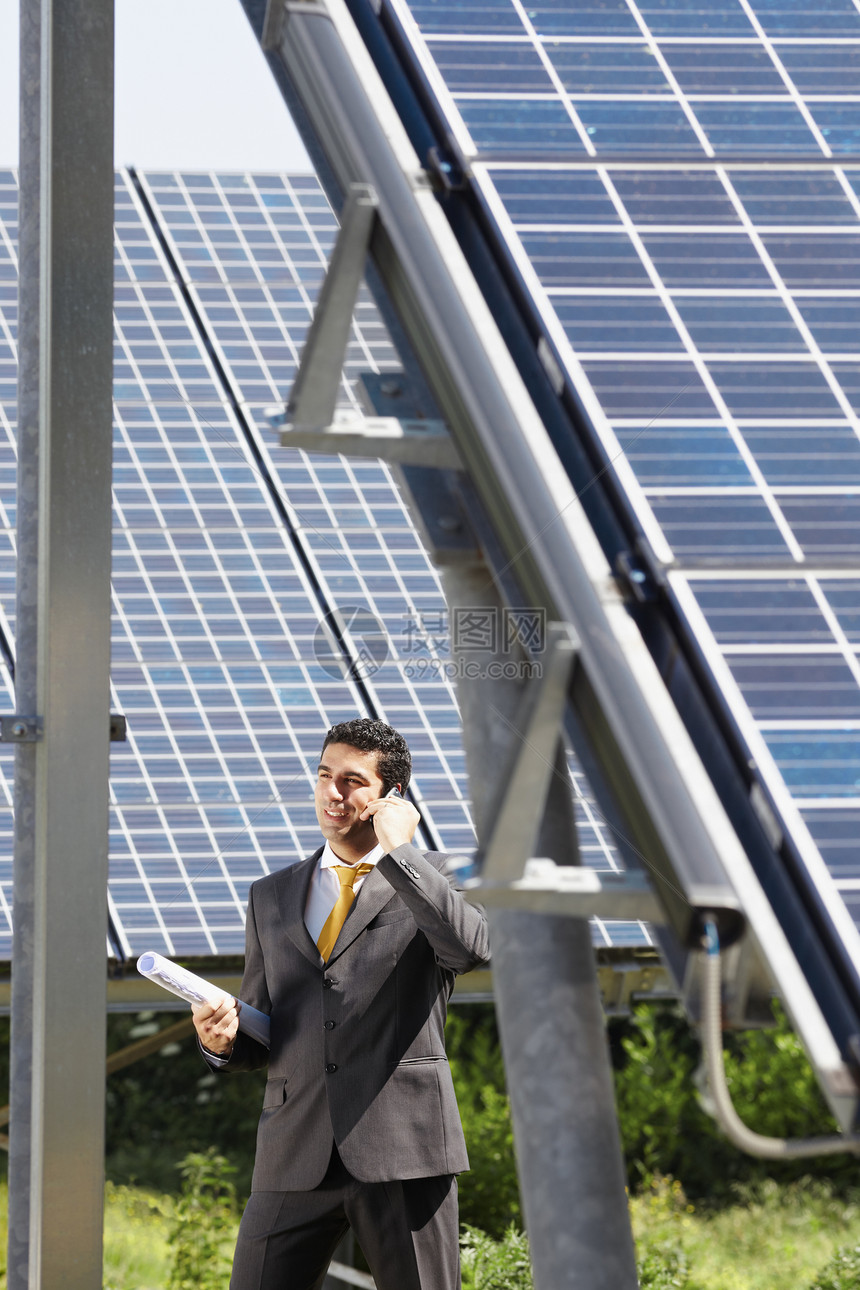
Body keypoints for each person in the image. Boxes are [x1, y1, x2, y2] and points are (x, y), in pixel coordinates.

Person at [192, 717, 489, 1290]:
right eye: (325, 775)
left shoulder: (441, 878)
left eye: (352, 781)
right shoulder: (271, 895)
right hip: (292, 1149)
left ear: (389, 797)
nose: (332, 793)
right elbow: (266, 1029)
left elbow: (468, 949)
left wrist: (402, 852)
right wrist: (222, 1041)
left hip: (403, 1149)